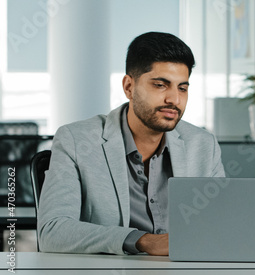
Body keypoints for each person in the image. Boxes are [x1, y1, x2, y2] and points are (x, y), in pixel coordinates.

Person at [38, 32, 225, 256]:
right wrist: (142, 241)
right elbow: (53, 231)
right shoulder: (77, 140)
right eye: (160, 85)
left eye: (182, 88)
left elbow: (220, 226)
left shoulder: (203, 145)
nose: (174, 99)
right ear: (129, 87)